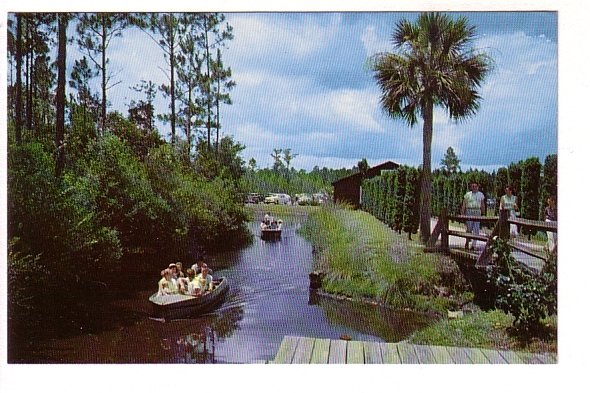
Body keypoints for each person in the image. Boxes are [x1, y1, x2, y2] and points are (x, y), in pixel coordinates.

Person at [461, 182, 486, 250]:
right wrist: (462, 214)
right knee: (469, 229)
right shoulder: (467, 194)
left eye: (475, 186)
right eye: (472, 186)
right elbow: (464, 204)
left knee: (476, 229)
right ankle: (467, 242)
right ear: (471, 187)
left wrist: (483, 214)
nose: (474, 187)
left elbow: (482, 204)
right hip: (469, 211)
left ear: (477, 187)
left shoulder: (481, 194)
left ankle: (473, 245)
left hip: (477, 211)